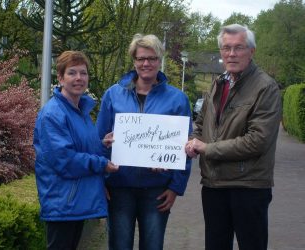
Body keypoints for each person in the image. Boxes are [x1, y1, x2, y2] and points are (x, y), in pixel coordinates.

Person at [185, 24, 282, 250]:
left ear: (251, 51)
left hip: (248, 185)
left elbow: (257, 141)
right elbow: (201, 123)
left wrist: (207, 148)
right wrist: (193, 141)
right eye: (226, 48)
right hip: (214, 184)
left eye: (238, 48)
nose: (231, 54)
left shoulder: (265, 87)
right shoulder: (218, 83)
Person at [96, 33, 192, 250]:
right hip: (119, 188)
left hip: (157, 190)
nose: (146, 63)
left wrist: (176, 187)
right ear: (134, 61)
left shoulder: (177, 99)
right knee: (119, 246)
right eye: (141, 58)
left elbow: (185, 147)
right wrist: (101, 179)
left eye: (151, 58)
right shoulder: (113, 95)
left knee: (152, 246)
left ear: (160, 60)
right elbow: (98, 142)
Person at [33, 51, 119, 250]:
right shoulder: (53, 114)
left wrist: (101, 145)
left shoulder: (80, 111)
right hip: (62, 202)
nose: (79, 78)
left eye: (83, 73)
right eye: (72, 73)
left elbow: (81, 147)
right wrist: (102, 164)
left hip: (74, 201)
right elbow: (65, 160)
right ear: (61, 78)